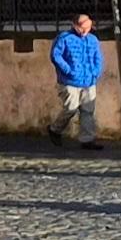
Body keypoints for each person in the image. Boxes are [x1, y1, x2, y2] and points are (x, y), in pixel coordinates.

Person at [50, 14, 106, 148]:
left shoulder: (93, 39)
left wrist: (96, 72)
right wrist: (68, 70)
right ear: (75, 25)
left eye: (88, 27)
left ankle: (87, 140)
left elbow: (98, 57)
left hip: (89, 80)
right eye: (83, 28)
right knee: (71, 108)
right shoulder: (64, 38)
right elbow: (55, 55)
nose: (86, 31)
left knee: (88, 111)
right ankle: (55, 129)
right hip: (70, 81)